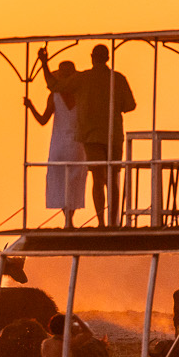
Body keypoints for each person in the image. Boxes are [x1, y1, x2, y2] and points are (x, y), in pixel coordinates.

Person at [44, 44, 135, 228]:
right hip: (113, 134)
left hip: (91, 135)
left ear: (92, 57)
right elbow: (130, 105)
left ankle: (101, 221)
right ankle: (113, 222)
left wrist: (44, 63)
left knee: (97, 178)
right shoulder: (117, 78)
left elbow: (54, 85)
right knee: (112, 179)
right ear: (108, 58)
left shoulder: (83, 78)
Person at [25, 56, 85, 228]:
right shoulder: (81, 95)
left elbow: (43, 120)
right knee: (75, 182)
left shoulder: (54, 96)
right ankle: (69, 220)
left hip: (59, 144)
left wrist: (30, 106)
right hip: (77, 144)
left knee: (60, 181)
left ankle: (67, 219)